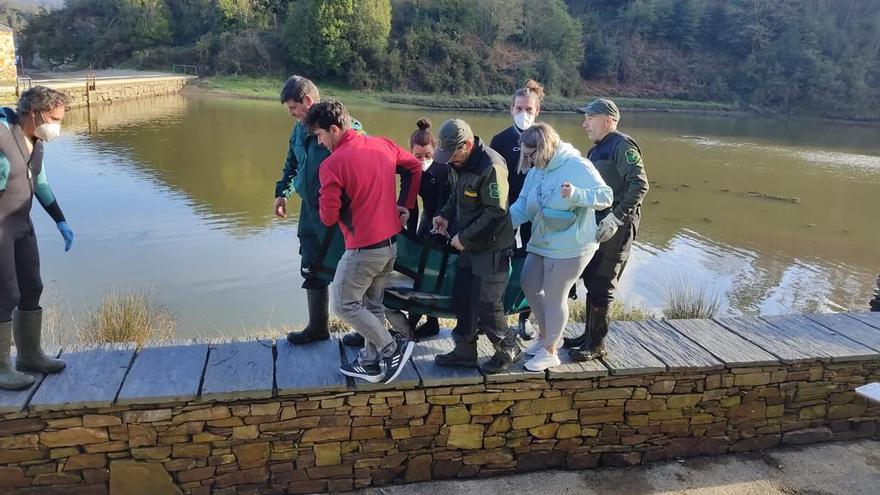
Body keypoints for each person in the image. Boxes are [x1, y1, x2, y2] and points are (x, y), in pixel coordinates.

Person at [306, 99, 422, 384]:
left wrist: (325, 198)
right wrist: (405, 203)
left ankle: (391, 347)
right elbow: (414, 168)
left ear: (334, 129)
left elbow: (329, 218)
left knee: (344, 304)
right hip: (389, 247)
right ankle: (370, 363)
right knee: (372, 305)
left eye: (320, 135)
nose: (320, 143)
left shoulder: (332, 164)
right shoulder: (383, 145)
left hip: (362, 251)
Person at [508, 123, 612, 371]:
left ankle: (550, 350)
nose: (528, 160)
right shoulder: (536, 172)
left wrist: (577, 195)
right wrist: (497, 225)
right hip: (542, 239)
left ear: (543, 148)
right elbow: (523, 206)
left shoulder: (576, 166)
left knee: (556, 294)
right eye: (525, 154)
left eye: (531, 154)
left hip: (573, 245)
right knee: (529, 283)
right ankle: (546, 336)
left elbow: (605, 196)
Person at [431, 119, 521, 374]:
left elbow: (496, 212)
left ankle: (508, 348)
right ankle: (464, 351)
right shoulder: (459, 162)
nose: (448, 160)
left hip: (491, 247)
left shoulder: (491, 165)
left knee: (487, 303)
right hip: (468, 246)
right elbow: (456, 193)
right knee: (464, 299)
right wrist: (444, 215)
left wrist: (464, 238)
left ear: (467, 145)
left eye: (452, 155)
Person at [274, 76, 358, 346]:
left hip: (341, 217)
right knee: (311, 265)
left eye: (293, 108)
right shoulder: (299, 130)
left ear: (308, 102)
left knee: (353, 271)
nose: (291, 114)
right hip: (310, 213)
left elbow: (365, 161)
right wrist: (282, 192)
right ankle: (318, 327)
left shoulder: (343, 126)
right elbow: (291, 163)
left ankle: (364, 330)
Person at [564, 99, 649, 361]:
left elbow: (640, 184)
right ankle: (588, 336)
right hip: (597, 224)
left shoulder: (621, 145)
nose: (584, 123)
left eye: (590, 117)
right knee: (591, 278)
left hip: (618, 226)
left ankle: (598, 344)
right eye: (585, 117)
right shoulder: (596, 151)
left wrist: (616, 217)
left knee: (603, 283)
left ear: (608, 120)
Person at [0, 86, 72, 390]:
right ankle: (2, 368)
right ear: (36, 112)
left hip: (22, 226)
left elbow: (40, 183)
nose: (57, 125)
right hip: (0, 229)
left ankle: (30, 356)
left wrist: (61, 220)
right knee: (5, 296)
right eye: (55, 118)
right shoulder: (2, 139)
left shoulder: (37, 141)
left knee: (32, 287)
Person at [490, 79, 544, 339]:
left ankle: (527, 318)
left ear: (537, 112)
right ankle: (496, 315)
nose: (525, 114)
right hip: (509, 211)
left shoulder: (547, 138)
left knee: (534, 263)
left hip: (538, 213)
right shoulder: (500, 140)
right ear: (511, 109)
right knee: (503, 260)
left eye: (529, 110)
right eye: (520, 108)